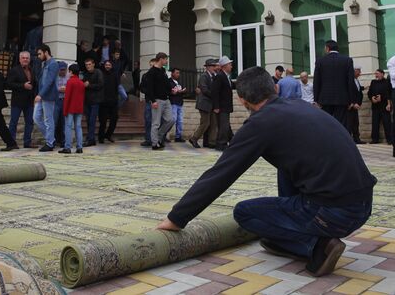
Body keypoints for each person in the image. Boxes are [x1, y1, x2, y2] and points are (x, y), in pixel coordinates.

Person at [157, 67, 376, 278]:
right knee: (285, 166)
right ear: (276, 89)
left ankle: (316, 245)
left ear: (243, 100)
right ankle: (302, 228)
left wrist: (176, 218)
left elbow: (220, 174)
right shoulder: (301, 106)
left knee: (244, 212)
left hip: (333, 213)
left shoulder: (260, 123)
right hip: (363, 204)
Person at [313, 40, 356, 127]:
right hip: (342, 98)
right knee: (342, 124)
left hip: (324, 98)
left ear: (327, 48)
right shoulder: (347, 60)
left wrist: (316, 99)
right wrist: (352, 100)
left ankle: (327, 140)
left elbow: (317, 81)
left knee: (326, 123)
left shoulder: (320, 61)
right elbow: (350, 81)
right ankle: (340, 140)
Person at [6, 51, 36, 148]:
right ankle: (11, 143)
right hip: (17, 101)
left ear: (29, 59)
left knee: (30, 122)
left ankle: (27, 142)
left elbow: (35, 84)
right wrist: (23, 85)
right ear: (19, 59)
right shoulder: (14, 70)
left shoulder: (32, 70)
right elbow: (9, 84)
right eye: (23, 58)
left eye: (27, 58)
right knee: (14, 122)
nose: (25, 60)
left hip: (29, 101)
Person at [189, 59, 218, 149]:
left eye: (214, 66)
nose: (214, 68)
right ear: (208, 67)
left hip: (211, 103)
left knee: (214, 123)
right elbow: (204, 90)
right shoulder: (204, 76)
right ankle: (194, 138)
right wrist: (215, 95)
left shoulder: (213, 76)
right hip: (204, 103)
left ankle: (212, 142)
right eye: (213, 66)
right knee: (205, 123)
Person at [34, 44, 58, 152]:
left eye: (40, 53)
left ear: (46, 52)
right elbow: (41, 81)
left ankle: (49, 142)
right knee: (36, 117)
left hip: (47, 96)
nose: (38, 56)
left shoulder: (53, 64)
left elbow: (49, 81)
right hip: (41, 94)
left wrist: (40, 95)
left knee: (48, 120)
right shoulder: (44, 64)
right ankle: (51, 138)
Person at [148, 52, 175, 150]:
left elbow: (166, 84)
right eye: (166, 59)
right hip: (157, 100)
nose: (167, 61)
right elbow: (149, 88)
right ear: (161, 59)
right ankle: (155, 144)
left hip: (166, 99)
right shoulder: (152, 72)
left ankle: (159, 136)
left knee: (171, 120)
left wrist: (172, 90)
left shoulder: (163, 70)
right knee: (156, 123)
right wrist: (153, 100)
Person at [60, 63, 85, 154]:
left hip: (70, 108)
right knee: (78, 127)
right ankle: (79, 147)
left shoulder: (70, 82)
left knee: (68, 127)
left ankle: (67, 147)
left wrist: (65, 110)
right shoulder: (81, 83)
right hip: (79, 108)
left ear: (71, 72)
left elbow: (67, 97)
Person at [212, 56, 234, 151]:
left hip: (226, 106)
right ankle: (221, 144)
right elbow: (215, 92)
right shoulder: (220, 76)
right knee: (223, 126)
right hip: (221, 106)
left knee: (226, 125)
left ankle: (232, 140)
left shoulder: (226, 76)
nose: (231, 66)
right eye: (229, 64)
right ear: (225, 66)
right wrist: (216, 106)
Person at [367, 69, 392, 145]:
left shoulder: (387, 82)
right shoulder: (373, 82)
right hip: (375, 106)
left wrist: (382, 97)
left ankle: (390, 140)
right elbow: (369, 92)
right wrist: (372, 98)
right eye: (375, 74)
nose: (376, 75)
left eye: (377, 73)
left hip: (384, 106)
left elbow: (389, 93)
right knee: (375, 123)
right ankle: (374, 139)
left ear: (382, 74)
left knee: (387, 123)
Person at [83, 57, 104, 147]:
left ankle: (91, 139)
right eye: (86, 65)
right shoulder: (86, 74)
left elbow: (100, 84)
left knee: (92, 120)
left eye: (89, 64)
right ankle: (90, 137)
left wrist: (89, 85)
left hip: (95, 100)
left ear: (93, 64)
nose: (88, 66)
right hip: (87, 100)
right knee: (88, 120)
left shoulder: (98, 72)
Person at [98, 60, 119, 144]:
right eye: (106, 65)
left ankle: (108, 135)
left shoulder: (115, 74)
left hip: (113, 101)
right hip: (103, 102)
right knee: (103, 121)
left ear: (111, 66)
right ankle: (101, 137)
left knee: (114, 120)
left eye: (109, 65)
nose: (107, 66)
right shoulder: (101, 74)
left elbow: (116, 87)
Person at [139, 59, 156, 147]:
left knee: (157, 121)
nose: (152, 67)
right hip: (149, 101)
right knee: (148, 120)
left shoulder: (159, 75)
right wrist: (148, 91)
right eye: (151, 65)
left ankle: (157, 139)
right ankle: (148, 139)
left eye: (153, 65)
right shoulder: (145, 76)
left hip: (157, 101)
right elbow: (141, 87)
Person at [347, 66, 365, 144]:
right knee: (349, 123)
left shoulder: (356, 80)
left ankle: (356, 139)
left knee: (356, 123)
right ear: (354, 71)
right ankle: (348, 139)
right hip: (350, 106)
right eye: (358, 71)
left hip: (356, 106)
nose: (360, 73)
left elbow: (358, 91)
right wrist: (352, 103)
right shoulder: (348, 80)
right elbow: (348, 92)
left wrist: (358, 103)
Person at [169, 68, 187, 143]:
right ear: (172, 73)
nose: (178, 74)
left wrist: (182, 91)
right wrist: (175, 92)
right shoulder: (169, 81)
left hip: (180, 102)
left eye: (179, 73)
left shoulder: (179, 82)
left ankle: (178, 136)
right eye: (176, 73)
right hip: (173, 103)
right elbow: (169, 91)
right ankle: (164, 134)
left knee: (180, 121)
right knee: (173, 120)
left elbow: (180, 91)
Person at [54, 61, 69, 147]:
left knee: (64, 122)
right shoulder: (55, 77)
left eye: (64, 70)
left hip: (65, 100)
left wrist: (66, 89)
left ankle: (64, 142)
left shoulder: (68, 77)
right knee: (54, 121)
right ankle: (53, 140)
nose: (62, 71)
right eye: (61, 70)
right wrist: (58, 90)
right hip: (56, 100)